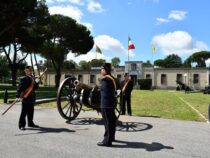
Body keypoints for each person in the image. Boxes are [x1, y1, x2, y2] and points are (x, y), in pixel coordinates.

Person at [97, 63, 117, 147]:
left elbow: (104, 94)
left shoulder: (105, 80)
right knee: (112, 121)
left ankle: (107, 141)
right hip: (111, 104)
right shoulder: (112, 79)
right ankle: (111, 137)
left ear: (105, 70)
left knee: (107, 123)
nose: (101, 70)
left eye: (102, 69)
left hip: (106, 105)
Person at [16, 66, 40, 130]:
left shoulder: (33, 78)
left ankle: (30, 123)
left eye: (31, 70)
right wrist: (18, 96)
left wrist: (37, 82)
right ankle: (21, 125)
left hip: (32, 97)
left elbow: (35, 88)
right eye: (28, 70)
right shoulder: (23, 79)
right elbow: (19, 88)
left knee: (31, 111)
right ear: (25, 71)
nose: (30, 71)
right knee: (24, 112)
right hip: (25, 97)